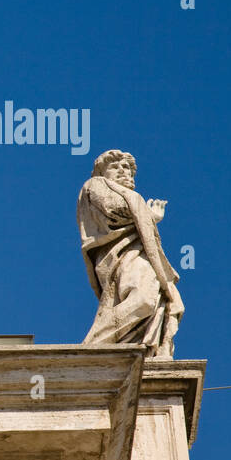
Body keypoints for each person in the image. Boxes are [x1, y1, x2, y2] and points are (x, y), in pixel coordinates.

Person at [78, 150, 183, 358]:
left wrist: (148, 217)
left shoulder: (131, 198)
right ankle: (92, 346)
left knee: (158, 302)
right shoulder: (96, 185)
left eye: (125, 168)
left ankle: (139, 352)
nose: (122, 171)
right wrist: (147, 213)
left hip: (140, 255)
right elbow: (113, 209)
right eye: (114, 167)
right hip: (119, 257)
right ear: (101, 172)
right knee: (143, 300)